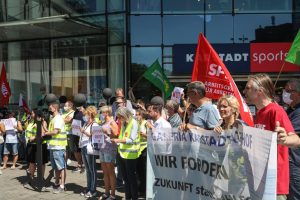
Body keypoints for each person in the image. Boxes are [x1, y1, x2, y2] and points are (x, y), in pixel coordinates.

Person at [243, 74, 299, 199]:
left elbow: (296, 140)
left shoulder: (275, 110)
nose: (244, 91)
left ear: (259, 91)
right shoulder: (260, 112)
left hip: (274, 185)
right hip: (260, 180)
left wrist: (285, 139)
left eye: (248, 88)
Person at [111, 107, 139, 200]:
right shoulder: (124, 123)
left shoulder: (134, 123)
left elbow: (131, 139)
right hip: (122, 154)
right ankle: (128, 197)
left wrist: (118, 140)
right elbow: (122, 136)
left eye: (120, 117)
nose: (119, 119)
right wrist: (116, 140)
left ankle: (134, 197)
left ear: (125, 115)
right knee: (125, 179)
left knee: (131, 179)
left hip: (131, 155)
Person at [42, 102, 67, 194]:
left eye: (50, 108)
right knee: (56, 167)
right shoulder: (54, 118)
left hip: (58, 146)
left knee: (61, 167)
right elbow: (52, 131)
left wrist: (45, 132)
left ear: (55, 108)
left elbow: (55, 132)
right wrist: (45, 128)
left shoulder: (58, 119)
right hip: (53, 146)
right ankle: (57, 184)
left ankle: (62, 185)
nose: (49, 109)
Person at [283, 79, 300, 200]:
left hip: (296, 163)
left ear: (298, 93)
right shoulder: (290, 110)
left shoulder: (298, 113)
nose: (285, 93)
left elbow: (290, 133)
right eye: (285, 90)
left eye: (289, 91)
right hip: (289, 162)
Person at [98, 106, 119, 200]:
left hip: (109, 149)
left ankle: (113, 194)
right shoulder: (103, 122)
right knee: (105, 172)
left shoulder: (112, 122)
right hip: (102, 148)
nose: (101, 114)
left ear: (107, 113)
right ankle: (106, 192)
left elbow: (116, 134)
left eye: (102, 112)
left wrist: (107, 132)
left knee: (110, 172)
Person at [24, 109, 48, 183]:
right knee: (32, 162)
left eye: (33, 113)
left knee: (42, 162)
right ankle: (31, 177)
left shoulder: (43, 122)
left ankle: (41, 177)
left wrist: (34, 137)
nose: (31, 114)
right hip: (31, 145)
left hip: (40, 145)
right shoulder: (30, 122)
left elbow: (43, 133)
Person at [79, 106, 98, 198]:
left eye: (86, 114)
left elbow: (94, 136)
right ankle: (88, 187)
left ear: (90, 114)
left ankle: (93, 189)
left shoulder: (94, 124)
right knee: (88, 169)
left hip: (90, 148)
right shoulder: (86, 123)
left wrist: (84, 132)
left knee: (92, 169)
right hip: (83, 146)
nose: (85, 115)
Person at [136, 108, 148, 196]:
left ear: (142, 115)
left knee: (144, 171)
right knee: (138, 171)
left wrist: (143, 134)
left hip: (145, 149)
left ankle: (144, 190)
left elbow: (151, 135)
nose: (136, 116)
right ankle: (140, 189)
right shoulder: (136, 124)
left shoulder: (146, 123)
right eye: (136, 114)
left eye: (138, 114)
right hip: (137, 149)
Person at [70, 105, 85, 173]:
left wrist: (84, 111)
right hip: (76, 132)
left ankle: (85, 166)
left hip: (84, 132)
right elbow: (73, 120)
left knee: (84, 150)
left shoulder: (85, 111)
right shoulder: (76, 112)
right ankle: (79, 164)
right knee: (76, 149)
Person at [62, 101, 75, 166]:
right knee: (66, 148)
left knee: (72, 148)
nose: (65, 107)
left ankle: (80, 164)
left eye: (66, 106)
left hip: (70, 132)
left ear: (70, 106)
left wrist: (64, 119)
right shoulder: (65, 113)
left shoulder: (73, 113)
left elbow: (68, 120)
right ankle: (65, 162)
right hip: (64, 132)